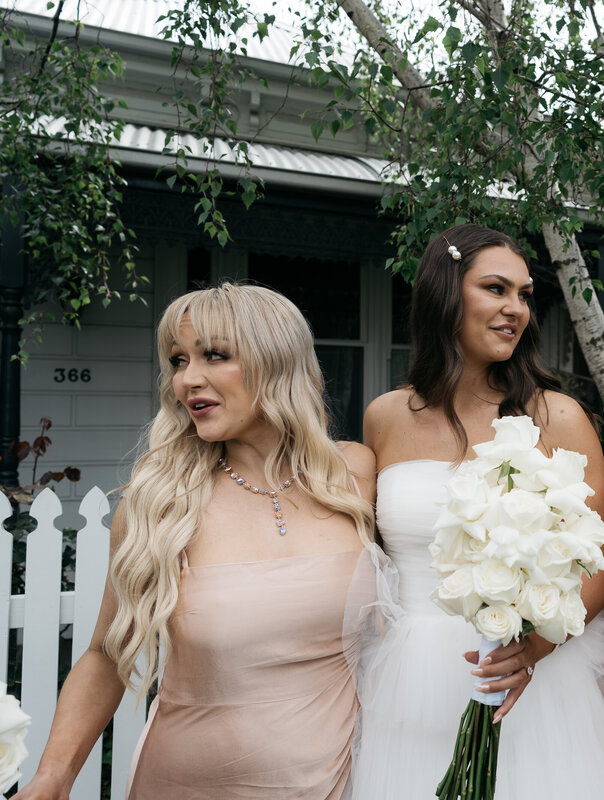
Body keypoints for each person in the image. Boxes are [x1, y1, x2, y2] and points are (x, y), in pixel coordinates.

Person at [15, 284, 378, 799]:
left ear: (278, 360)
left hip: (344, 780)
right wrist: (53, 777)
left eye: (215, 355)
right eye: (178, 360)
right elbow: (105, 654)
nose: (188, 379)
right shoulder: (160, 504)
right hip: (190, 782)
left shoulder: (355, 474)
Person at [352, 224, 604, 798]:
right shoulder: (384, 416)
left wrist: (530, 649)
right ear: (445, 294)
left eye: (525, 295)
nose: (515, 309)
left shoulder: (557, 417)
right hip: (406, 680)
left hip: (526, 674)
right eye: (496, 289)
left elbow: (602, 567)